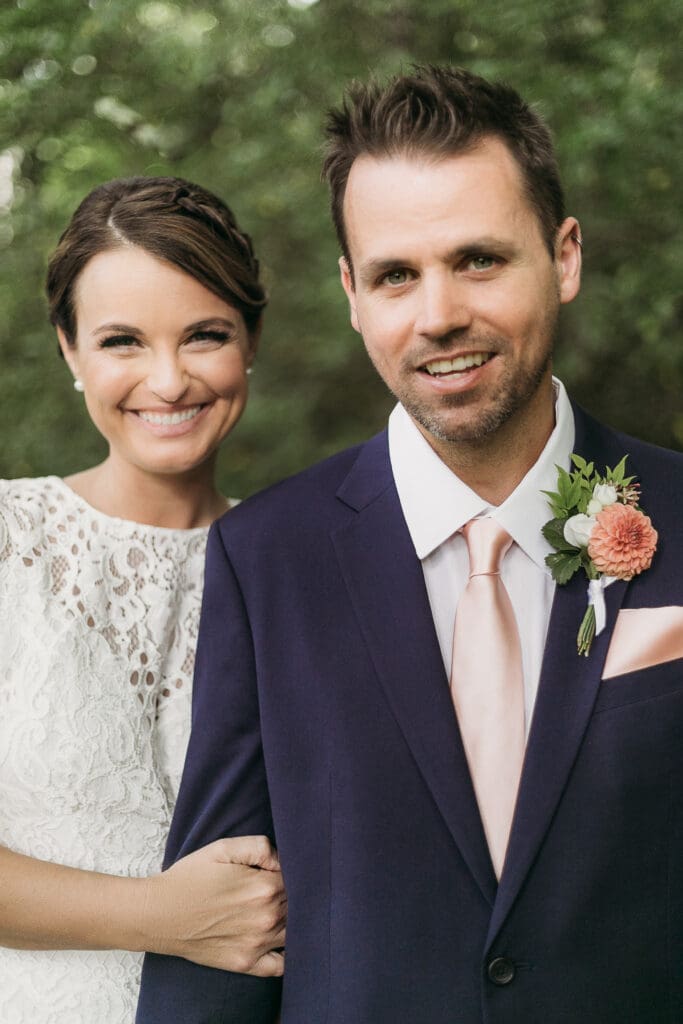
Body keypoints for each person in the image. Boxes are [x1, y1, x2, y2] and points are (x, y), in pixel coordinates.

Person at [137, 68, 683, 1023]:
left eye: (478, 259)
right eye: (396, 274)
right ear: (352, 293)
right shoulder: (263, 559)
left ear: (562, 258)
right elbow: (220, 929)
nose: (436, 316)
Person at [0, 176, 286, 1023]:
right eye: (122, 341)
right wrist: (163, 917)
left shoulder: (297, 566)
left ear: (251, 340)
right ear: (69, 350)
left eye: (204, 335)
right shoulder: (8, 539)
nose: (168, 381)